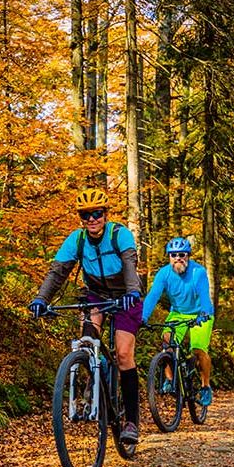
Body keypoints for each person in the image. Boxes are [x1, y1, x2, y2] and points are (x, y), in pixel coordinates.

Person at [28, 188, 145, 444]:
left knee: (124, 354)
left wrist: (132, 292)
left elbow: (129, 265)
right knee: (87, 341)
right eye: (86, 215)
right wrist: (41, 299)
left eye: (97, 213)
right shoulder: (77, 239)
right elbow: (58, 271)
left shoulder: (119, 234)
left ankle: (132, 422)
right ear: (81, 217)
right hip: (96, 295)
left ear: (105, 214)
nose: (92, 219)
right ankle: (94, 377)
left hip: (126, 295)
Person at [141, 236, 215, 406]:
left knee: (198, 349)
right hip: (178, 313)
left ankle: (205, 386)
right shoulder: (164, 274)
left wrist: (203, 313)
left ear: (188, 256)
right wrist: (143, 317)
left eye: (182, 254)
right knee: (167, 342)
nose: (178, 258)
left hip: (201, 314)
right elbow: (153, 296)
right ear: (169, 257)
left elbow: (204, 296)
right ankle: (170, 380)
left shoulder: (198, 272)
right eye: (173, 255)